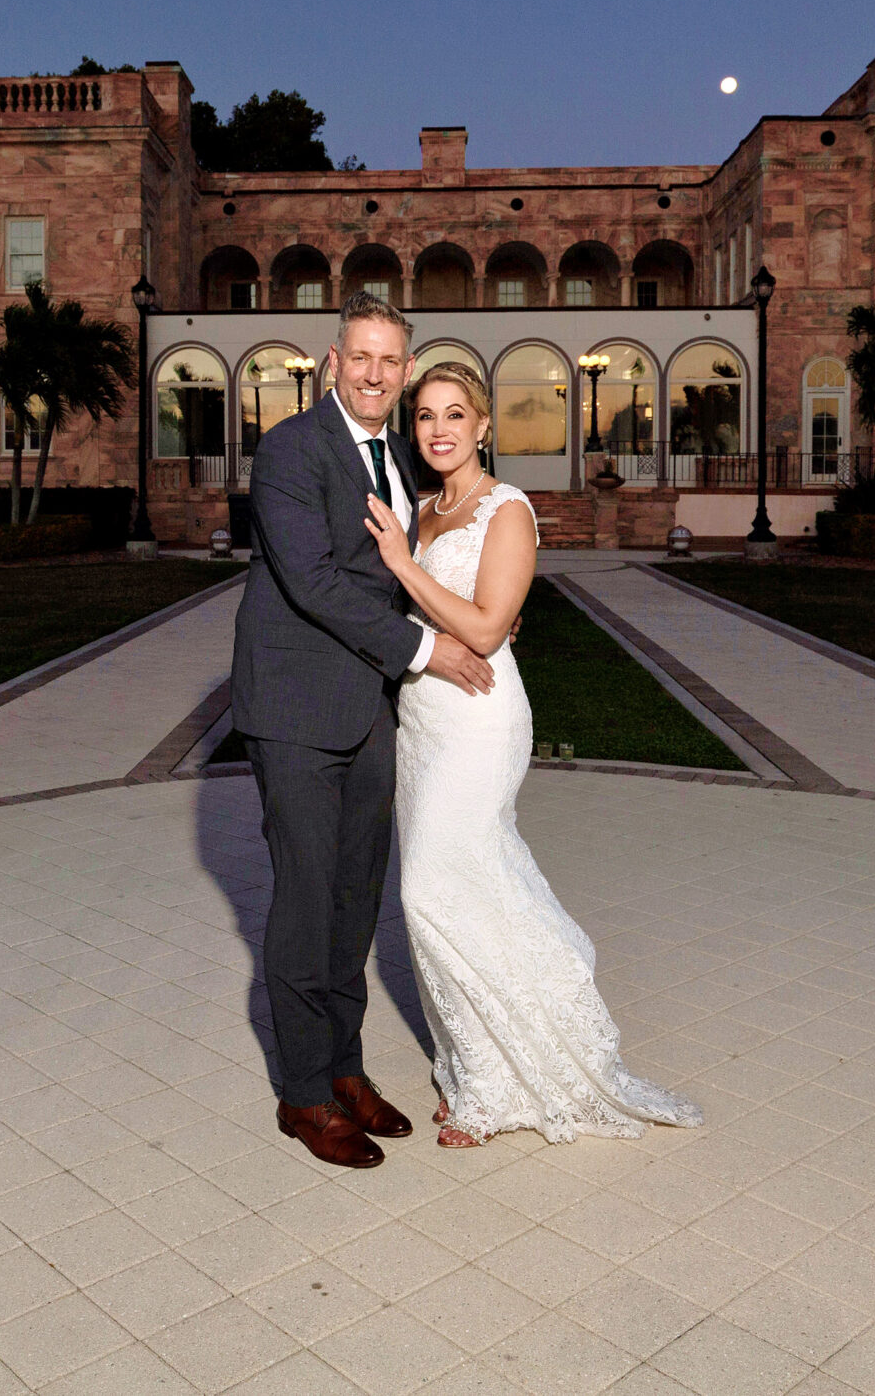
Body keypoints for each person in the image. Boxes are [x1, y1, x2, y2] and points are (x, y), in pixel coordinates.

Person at [363, 362, 702, 1147]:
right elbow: (408, 619)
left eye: (455, 414)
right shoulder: (418, 511)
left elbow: (484, 629)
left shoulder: (508, 510)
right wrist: (406, 571)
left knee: (427, 890)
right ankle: (475, 1067)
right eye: (424, 416)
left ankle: (521, 1065)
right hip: (422, 721)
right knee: (454, 892)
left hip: (480, 720)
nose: (439, 428)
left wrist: (406, 569)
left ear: (485, 426)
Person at [231, 294, 496, 1169]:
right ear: (331, 361)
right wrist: (429, 649)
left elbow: (408, 568)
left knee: (353, 901)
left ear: (405, 367)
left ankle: (344, 1068)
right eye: (362, 357)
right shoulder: (291, 449)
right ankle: (303, 1091)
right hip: (296, 710)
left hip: (368, 709)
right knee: (306, 902)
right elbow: (312, 581)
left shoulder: (398, 458)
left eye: (392, 360)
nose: (377, 374)